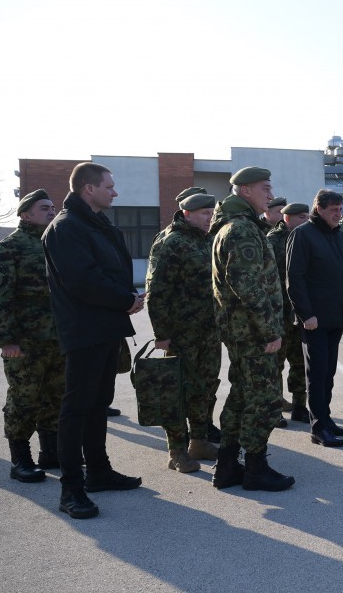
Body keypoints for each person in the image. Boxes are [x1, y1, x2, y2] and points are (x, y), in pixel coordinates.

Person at [43, 163, 144, 519]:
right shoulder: (66, 228)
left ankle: (98, 471)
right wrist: (124, 299)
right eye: (110, 187)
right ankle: (71, 489)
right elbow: (82, 279)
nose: (115, 192)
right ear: (88, 189)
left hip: (105, 328)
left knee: (99, 402)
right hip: (84, 330)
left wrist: (128, 296)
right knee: (77, 407)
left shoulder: (96, 225)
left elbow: (112, 270)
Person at [210, 167, 293, 492]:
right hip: (253, 333)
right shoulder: (242, 230)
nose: (270, 195)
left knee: (242, 395)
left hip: (243, 331)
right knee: (265, 399)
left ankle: (227, 465)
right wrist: (271, 330)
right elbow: (247, 286)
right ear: (245, 191)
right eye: (265, 188)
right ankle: (256, 468)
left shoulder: (236, 226)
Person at [145, 193, 222, 474]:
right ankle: (177, 451)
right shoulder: (171, 242)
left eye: (211, 214)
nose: (209, 219)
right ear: (187, 213)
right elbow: (157, 292)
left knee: (206, 387)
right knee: (178, 391)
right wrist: (161, 333)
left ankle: (199, 441)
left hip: (209, 331)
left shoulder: (207, 240)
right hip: (181, 334)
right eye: (204, 214)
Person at [0, 189, 64, 483]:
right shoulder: (10, 248)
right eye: (44, 208)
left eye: (52, 207)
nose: (51, 211)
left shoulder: (55, 243)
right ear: (25, 214)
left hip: (57, 336)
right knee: (25, 397)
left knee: (55, 395)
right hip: (25, 339)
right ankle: (20, 458)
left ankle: (51, 452)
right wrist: (6, 339)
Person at [286, 189, 343, 448]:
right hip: (314, 320)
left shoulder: (340, 237)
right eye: (333, 210)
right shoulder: (302, 235)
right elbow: (295, 279)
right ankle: (317, 429)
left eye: (340, 209)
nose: (339, 215)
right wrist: (306, 314)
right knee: (316, 374)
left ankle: (325, 420)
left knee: (328, 373)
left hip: (336, 318)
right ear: (319, 210)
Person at [267, 202, 309, 422]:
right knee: (276, 363)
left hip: (301, 313)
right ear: (287, 219)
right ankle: (275, 408)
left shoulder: (307, 239)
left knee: (300, 361)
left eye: (307, 217)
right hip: (280, 314)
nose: (306, 221)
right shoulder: (271, 242)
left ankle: (300, 405)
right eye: (301, 217)